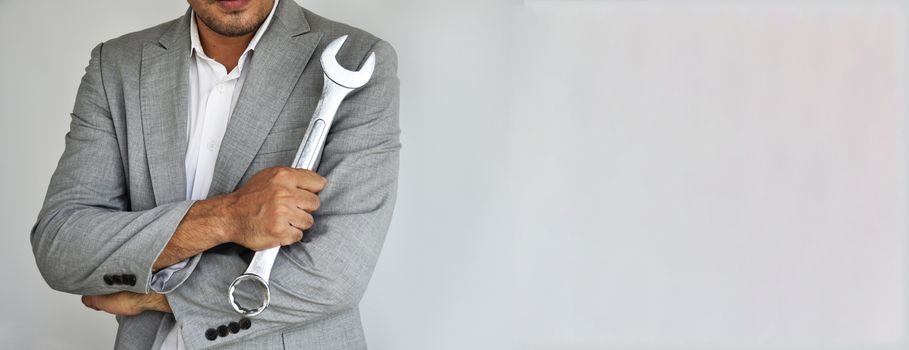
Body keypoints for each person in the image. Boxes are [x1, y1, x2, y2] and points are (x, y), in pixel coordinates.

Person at [30, 0, 400, 348]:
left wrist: (153, 294)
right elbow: (61, 246)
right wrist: (228, 217)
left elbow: (334, 275)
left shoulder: (359, 58)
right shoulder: (116, 65)